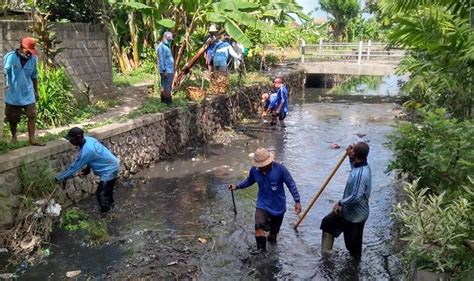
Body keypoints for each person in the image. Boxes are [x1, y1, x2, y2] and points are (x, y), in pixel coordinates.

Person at [229, 148, 302, 255]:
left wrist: (297, 201)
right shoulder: (254, 170)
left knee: (273, 235)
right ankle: (261, 251)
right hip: (262, 204)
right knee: (258, 225)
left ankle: (272, 251)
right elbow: (249, 181)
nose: (262, 168)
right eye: (260, 166)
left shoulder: (280, 169)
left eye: (264, 165)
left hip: (278, 206)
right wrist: (237, 186)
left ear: (270, 162)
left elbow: (291, 184)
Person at [320, 142, 371, 259]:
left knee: (353, 248)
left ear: (356, 155)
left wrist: (340, 203)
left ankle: (354, 270)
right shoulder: (362, 165)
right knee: (328, 223)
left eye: (353, 152)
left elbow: (356, 196)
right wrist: (350, 156)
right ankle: (326, 256)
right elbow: (354, 167)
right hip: (347, 211)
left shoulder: (361, 174)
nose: (350, 151)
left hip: (356, 217)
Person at [56, 127, 120, 214]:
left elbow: (74, 167)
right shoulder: (89, 139)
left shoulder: (86, 151)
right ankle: (112, 208)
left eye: (72, 140)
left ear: (79, 138)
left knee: (101, 194)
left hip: (109, 170)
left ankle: (106, 214)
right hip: (113, 164)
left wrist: (60, 177)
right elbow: (96, 154)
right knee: (107, 192)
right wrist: (88, 168)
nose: (70, 142)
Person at [3, 37, 44, 146]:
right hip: (13, 93)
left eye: (32, 51)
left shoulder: (33, 59)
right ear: (22, 47)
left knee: (32, 115)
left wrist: (36, 91)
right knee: (12, 118)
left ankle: (32, 139)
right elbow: (4, 73)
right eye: (28, 51)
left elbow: (34, 76)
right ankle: (13, 136)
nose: (30, 53)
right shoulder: (10, 57)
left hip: (28, 93)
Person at [157, 31, 174, 104]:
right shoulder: (161, 47)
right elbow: (161, 59)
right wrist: (164, 70)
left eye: (170, 40)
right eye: (168, 39)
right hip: (167, 70)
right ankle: (168, 102)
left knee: (164, 85)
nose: (170, 41)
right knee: (167, 86)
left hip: (168, 69)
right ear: (164, 38)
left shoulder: (166, 46)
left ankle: (164, 102)